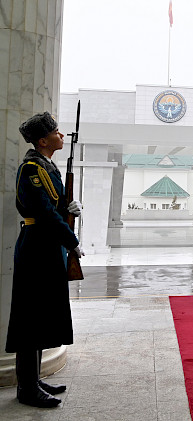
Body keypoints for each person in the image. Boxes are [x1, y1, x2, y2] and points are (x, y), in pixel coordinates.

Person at [5, 112, 84, 408]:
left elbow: (55, 206)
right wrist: (71, 241)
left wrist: (69, 207)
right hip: (36, 247)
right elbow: (44, 212)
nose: (61, 136)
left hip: (47, 247)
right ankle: (26, 388)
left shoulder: (47, 167)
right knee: (30, 319)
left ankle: (33, 380)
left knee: (40, 316)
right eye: (56, 132)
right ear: (42, 140)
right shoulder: (31, 169)